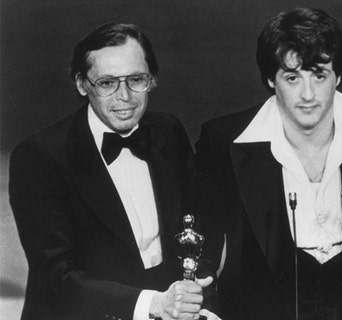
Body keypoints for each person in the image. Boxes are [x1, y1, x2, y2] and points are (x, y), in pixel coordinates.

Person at [189, 7, 342, 320]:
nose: (308, 94)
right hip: (259, 309)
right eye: (292, 77)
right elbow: (200, 248)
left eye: (319, 75)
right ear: (270, 79)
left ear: (338, 76)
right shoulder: (223, 140)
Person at [9, 23, 214, 320]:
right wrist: (154, 304)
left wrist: (194, 291)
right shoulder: (39, 157)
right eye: (107, 83)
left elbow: (198, 225)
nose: (125, 96)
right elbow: (56, 276)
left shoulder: (168, 131)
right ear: (82, 84)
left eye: (136, 79)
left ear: (152, 79)